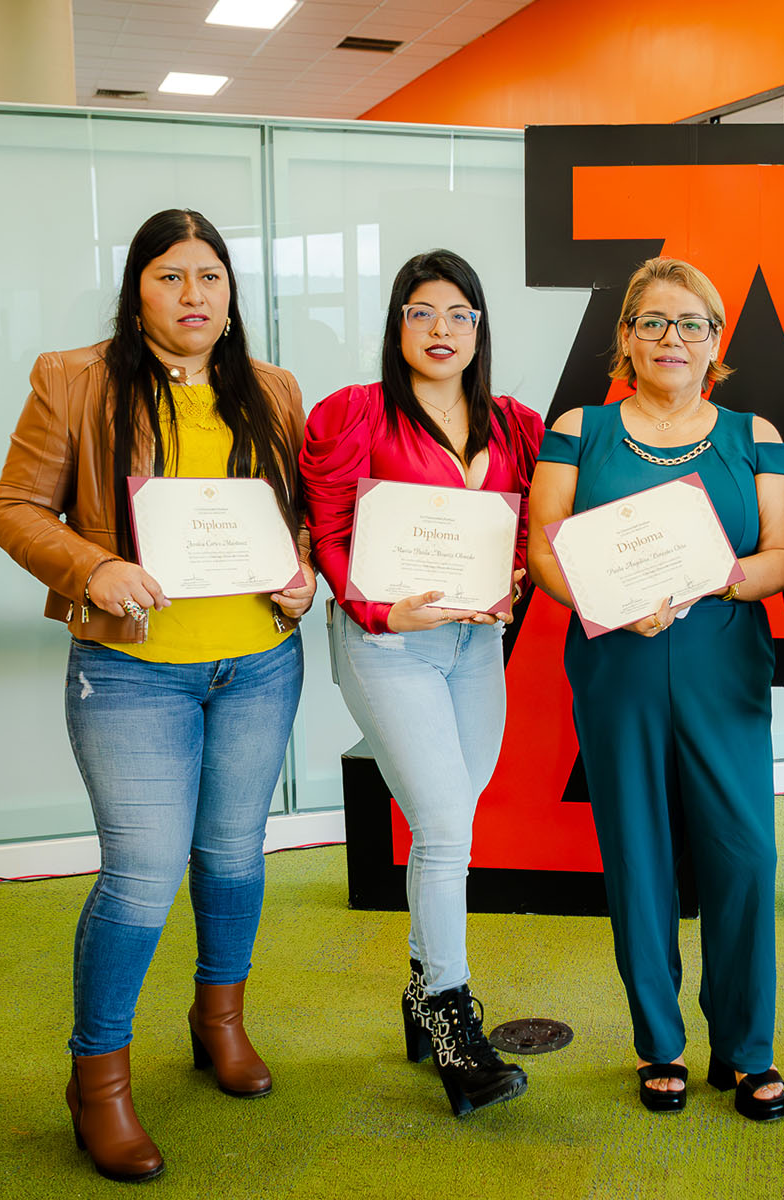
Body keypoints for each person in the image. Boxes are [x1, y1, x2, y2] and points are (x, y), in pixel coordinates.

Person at [0, 208, 316, 1183]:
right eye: (172, 277)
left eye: (210, 278)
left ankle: (219, 1024)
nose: (194, 297)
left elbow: (293, 518)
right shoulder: (75, 380)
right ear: (138, 290)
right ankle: (99, 1082)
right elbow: (14, 509)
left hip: (258, 662)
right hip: (133, 671)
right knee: (141, 872)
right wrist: (92, 567)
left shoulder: (272, 389)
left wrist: (304, 572)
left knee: (232, 857)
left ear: (230, 293)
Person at [526, 257, 784, 1120]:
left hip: (724, 660)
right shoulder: (580, 429)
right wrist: (607, 598)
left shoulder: (758, 435)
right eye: (653, 322)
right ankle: (662, 1045)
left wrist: (717, 578)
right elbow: (542, 549)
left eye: (691, 324)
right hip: (620, 666)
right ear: (627, 339)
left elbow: (783, 559)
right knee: (638, 857)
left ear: (716, 340)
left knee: (746, 857)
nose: (671, 338)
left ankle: (747, 1047)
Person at [301, 249, 540, 1117]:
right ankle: (449, 1020)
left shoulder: (515, 425)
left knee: (455, 818)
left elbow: (521, 530)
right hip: (389, 646)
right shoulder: (354, 413)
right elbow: (326, 531)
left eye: (459, 315)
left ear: (480, 329)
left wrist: (512, 579)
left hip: (476, 650)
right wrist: (375, 611)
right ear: (396, 323)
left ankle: (418, 994)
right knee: (442, 826)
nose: (441, 331)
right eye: (421, 312)